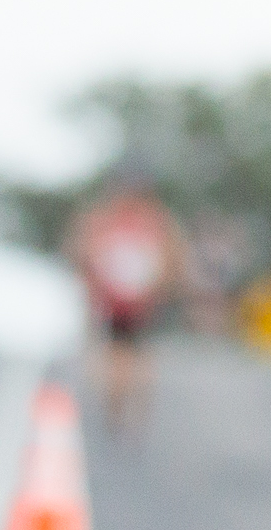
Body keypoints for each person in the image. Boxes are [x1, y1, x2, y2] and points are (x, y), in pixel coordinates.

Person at [63, 171, 187, 436]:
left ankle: (121, 409)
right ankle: (126, 410)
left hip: (125, 298)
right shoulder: (153, 219)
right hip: (132, 299)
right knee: (129, 353)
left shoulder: (109, 218)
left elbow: (83, 254)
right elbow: (173, 258)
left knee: (123, 354)